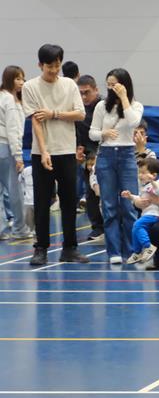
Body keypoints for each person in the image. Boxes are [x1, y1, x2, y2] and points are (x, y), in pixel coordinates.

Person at [22, 44, 89, 266]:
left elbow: (80, 114)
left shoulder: (69, 85)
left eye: (57, 65)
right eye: (49, 66)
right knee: (42, 201)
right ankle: (41, 248)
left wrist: (54, 113)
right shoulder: (31, 87)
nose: (54, 70)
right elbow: (36, 121)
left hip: (67, 150)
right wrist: (43, 152)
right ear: (40, 65)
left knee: (69, 201)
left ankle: (69, 248)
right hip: (41, 152)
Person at [88, 68, 143, 264]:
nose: (111, 88)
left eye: (115, 84)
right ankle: (114, 252)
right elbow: (92, 133)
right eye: (109, 85)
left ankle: (132, 250)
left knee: (129, 205)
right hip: (106, 155)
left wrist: (124, 98)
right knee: (109, 206)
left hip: (127, 155)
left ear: (125, 85)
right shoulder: (102, 106)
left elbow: (134, 122)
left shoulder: (135, 105)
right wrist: (103, 133)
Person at [0, 66, 30, 239]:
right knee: (15, 190)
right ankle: (20, 229)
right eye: (18, 79)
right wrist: (18, 156)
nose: (22, 82)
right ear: (9, 79)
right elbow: (13, 130)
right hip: (6, 148)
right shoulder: (10, 101)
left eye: (23, 78)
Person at [120, 157, 159, 265]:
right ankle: (137, 252)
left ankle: (148, 246)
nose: (140, 175)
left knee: (137, 225)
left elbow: (158, 193)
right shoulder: (144, 187)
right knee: (135, 229)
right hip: (147, 214)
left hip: (155, 214)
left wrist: (152, 181)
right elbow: (140, 199)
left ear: (153, 175)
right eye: (139, 172)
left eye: (143, 173)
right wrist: (130, 196)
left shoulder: (154, 185)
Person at [76, 75, 104, 244]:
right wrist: (79, 148)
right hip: (90, 158)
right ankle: (98, 227)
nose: (84, 96)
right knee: (91, 192)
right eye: (81, 93)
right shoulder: (78, 110)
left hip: (108, 153)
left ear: (96, 90)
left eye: (87, 92)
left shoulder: (106, 106)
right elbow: (77, 131)